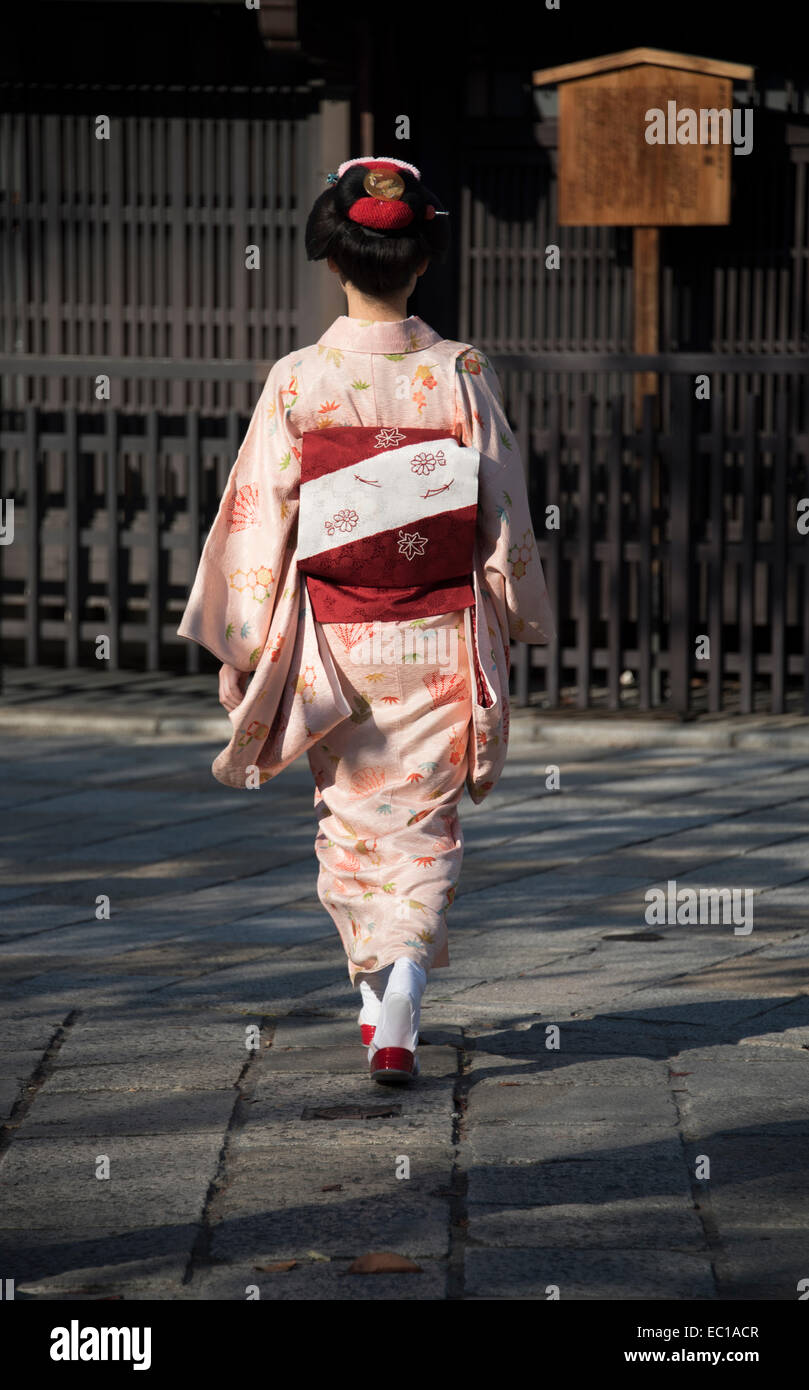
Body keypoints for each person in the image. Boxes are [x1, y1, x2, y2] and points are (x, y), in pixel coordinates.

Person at [176, 155, 556, 1085]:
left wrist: (245, 639)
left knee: (348, 817)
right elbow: (502, 509)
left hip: (334, 638)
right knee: (421, 820)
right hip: (437, 631)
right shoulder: (459, 370)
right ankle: (398, 995)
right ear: (420, 263)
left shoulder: (299, 379)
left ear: (333, 262)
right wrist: (515, 609)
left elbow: (259, 517)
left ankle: (380, 1000)